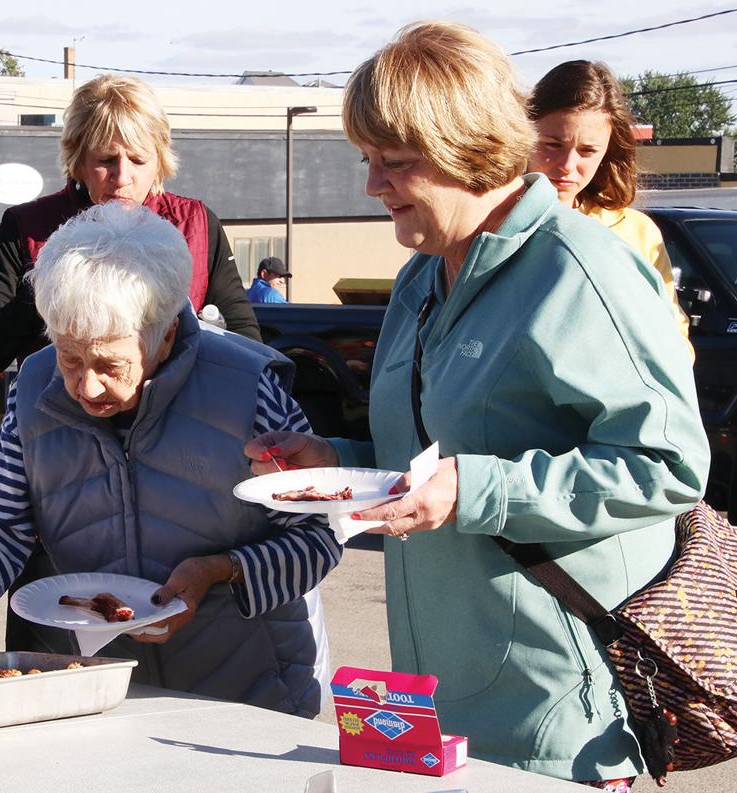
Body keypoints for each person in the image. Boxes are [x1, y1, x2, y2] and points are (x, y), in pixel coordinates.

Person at [245, 22, 709, 789]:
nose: (373, 186)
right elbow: (429, 460)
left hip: (559, 713)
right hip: (433, 706)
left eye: (394, 162)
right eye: (369, 160)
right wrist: (338, 462)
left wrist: (479, 488)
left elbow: (667, 466)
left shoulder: (581, 271)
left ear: (471, 149)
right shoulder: (420, 279)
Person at [0, 202, 338, 717]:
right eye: (69, 356)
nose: (85, 384)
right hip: (97, 694)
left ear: (166, 332)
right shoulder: (34, 387)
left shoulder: (249, 390)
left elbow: (318, 537)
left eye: (110, 363)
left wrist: (221, 570)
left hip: (245, 694)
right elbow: (1, 525)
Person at [0, 74, 261, 399]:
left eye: (138, 159)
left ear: (160, 160)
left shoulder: (197, 224)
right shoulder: (28, 226)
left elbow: (250, 351)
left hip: (176, 432)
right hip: (61, 431)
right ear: (77, 160)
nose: (122, 177)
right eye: (106, 160)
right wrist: (45, 291)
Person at [528, 60, 692, 357]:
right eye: (552, 144)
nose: (567, 166)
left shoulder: (637, 232)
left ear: (607, 153)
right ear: (522, 134)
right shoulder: (488, 221)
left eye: (587, 151)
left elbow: (673, 337)